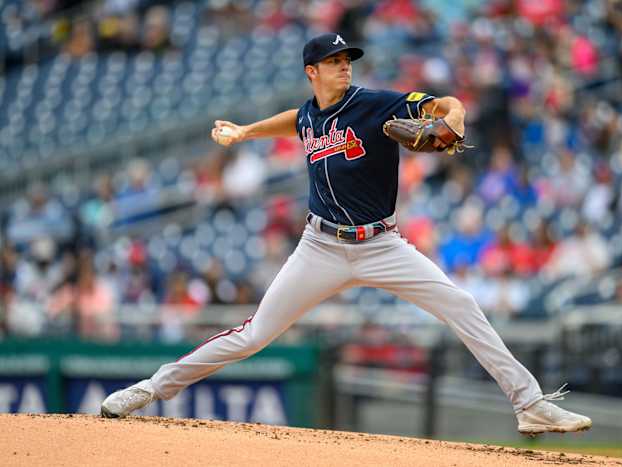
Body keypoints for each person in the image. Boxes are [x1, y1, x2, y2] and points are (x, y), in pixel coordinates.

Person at [101, 33, 591, 436]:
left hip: (382, 245)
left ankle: (529, 403)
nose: (345, 66)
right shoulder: (310, 114)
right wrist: (246, 132)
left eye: (347, 59)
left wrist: (455, 114)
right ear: (312, 71)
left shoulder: (375, 104)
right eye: (333, 61)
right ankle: (152, 388)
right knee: (252, 336)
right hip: (319, 247)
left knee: (460, 304)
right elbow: (293, 121)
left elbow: (441, 103)